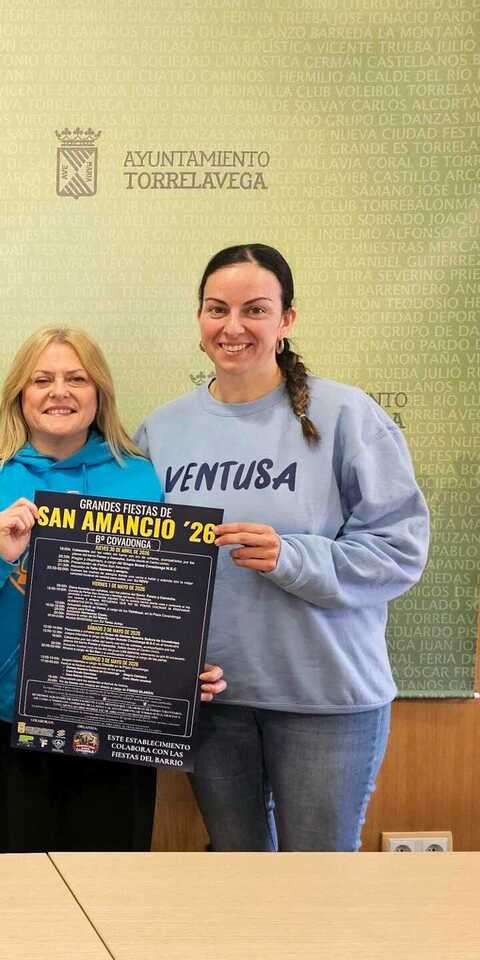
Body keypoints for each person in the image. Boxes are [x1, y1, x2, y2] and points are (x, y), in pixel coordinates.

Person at [136, 243, 429, 851]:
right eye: (217, 309)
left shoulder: (348, 415)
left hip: (325, 699)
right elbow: (141, 568)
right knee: (240, 878)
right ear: (199, 318)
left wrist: (293, 558)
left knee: (319, 882)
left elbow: (400, 550)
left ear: (286, 319)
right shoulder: (161, 430)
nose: (233, 326)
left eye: (255, 309)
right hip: (212, 701)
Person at [0, 326, 227, 853]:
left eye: (77, 379)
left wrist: (179, 668)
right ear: (19, 393)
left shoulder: (143, 480)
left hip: (118, 716)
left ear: (99, 393)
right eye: (42, 380)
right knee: (14, 879)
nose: (60, 391)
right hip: (4, 718)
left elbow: (165, 602)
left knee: (113, 879)